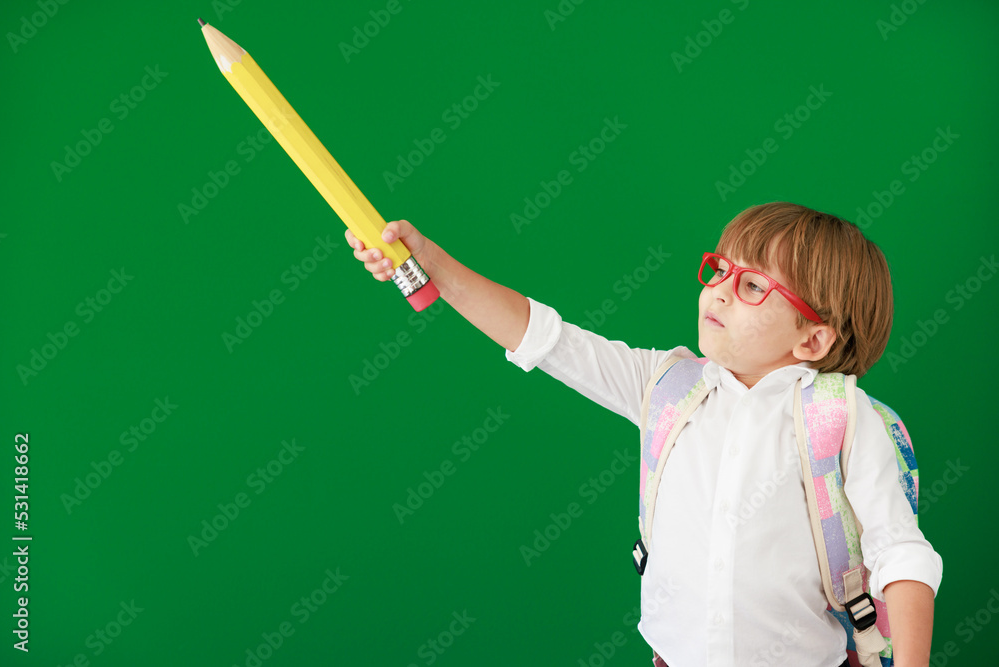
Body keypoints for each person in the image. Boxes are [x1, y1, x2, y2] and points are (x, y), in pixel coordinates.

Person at [345, 202, 942, 667]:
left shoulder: (845, 419)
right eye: (721, 270)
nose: (720, 289)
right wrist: (431, 264)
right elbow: (544, 338)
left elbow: (901, 554)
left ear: (812, 340)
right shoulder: (666, 387)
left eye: (754, 286)